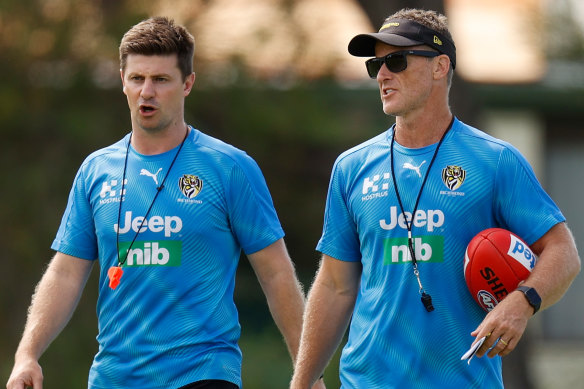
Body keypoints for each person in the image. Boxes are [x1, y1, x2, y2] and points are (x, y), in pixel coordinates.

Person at [6, 16, 318, 389]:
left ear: (187, 84)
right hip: (114, 377)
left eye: (161, 80)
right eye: (137, 79)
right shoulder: (96, 170)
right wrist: (27, 354)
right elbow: (66, 272)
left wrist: (308, 373)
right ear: (123, 81)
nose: (146, 92)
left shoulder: (229, 168)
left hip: (202, 371)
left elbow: (276, 273)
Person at [290, 8, 581, 389]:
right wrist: (302, 381)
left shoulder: (494, 161)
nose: (382, 74)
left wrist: (522, 301)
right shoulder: (352, 167)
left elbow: (563, 252)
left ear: (440, 66)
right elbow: (334, 285)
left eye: (396, 60)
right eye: (376, 64)